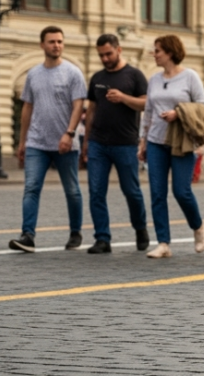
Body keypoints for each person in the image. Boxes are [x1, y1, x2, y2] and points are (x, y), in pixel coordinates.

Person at [9, 26, 87, 252]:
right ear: (42, 44)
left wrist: (69, 133)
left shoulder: (73, 72)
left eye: (60, 41)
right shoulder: (33, 74)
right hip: (37, 143)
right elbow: (27, 108)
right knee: (31, 187)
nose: (57, 45)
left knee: (72, 190)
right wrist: (22, 141)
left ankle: (75, 233)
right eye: (52, 41)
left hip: (65, 144)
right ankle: (27, 236)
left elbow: (78, 106)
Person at [138, 34, 204, 258]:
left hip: (181, 141)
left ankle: (198, 226)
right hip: (156, 142)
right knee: (157, 193)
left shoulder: (190, 77)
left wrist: (178, 113)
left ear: (169, 52)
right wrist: (143, 141)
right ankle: (163, 243)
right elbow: (148, 111)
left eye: (158, 50)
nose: (154, 54)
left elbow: (203, 107)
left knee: (182, 191)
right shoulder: (154, 79)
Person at [83, 33, 150, 254]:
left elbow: (145, 104)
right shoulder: (97, 77)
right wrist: (86, 141)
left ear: (118, 50)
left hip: (125, 144)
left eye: (108, 54)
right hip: (98, 144)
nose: (105, 59)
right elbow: (91, 110)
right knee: (96, 191)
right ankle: (102, 238)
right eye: (101, 55)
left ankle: (140, 228)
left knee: (131, 191)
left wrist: (123, 98)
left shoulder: (134, 75)